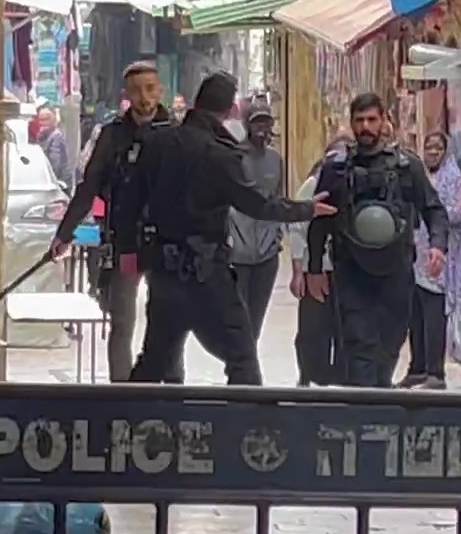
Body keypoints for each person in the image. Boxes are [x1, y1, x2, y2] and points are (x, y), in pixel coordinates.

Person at [124, 73, 334, 385]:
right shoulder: (219, 154)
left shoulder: (157, 142)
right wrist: (307, 209)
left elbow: (130, 200)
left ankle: (128, 414)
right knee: (241, 357)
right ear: (230, 110)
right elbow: (256, 204)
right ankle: (246, 417)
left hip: (164, 269)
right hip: (207, 272)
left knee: (155, 358)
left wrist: (130, 249)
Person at [307, 93, 449, 388]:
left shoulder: (406, 166)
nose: (366, 127)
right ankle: (368, 405)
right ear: (351, 123)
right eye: (359, 120)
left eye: (372, 119)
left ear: (384, 120)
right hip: (351, 270)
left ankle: (378, 393)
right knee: (360, 343)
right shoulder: (336, 168)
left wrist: (438, 246)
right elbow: (319, 218)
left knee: (389, 343)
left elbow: (433, 209)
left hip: (396, 269)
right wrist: (314, 267)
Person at [52, 61, 177, 382]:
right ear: (126, 95)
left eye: (150, 89)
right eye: (136, 90)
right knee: (121, 322)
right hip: (125, 242)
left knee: (169, 322)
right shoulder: (112, 135)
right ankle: (122, 392)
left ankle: (173, 391)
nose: (144, 97)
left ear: (160, 90)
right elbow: (90, 186)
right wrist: (65, 234)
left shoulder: (177, 133)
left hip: (167, 243)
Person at [401, 130, 461, 389]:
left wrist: (432, 216)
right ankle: (417, 368)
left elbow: (456, 213)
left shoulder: (451, 177)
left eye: (438, 148)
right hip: (417, 257)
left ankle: (435, 373)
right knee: (415, 314)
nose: (432, 153)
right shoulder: (421, 175)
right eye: (428, 147)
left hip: (439, 257)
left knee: (433, 314)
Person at [291, 133, 352, 386]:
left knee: (343, 329)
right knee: (312, 331)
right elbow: (297, 228)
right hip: (315, 270)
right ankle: (309, 376)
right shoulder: (314, 185)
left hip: (345, 270)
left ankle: (341, 378)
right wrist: (298, 272)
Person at [229, 100, 285, 343]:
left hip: (267, 255)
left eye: (266, 122)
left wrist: (277, 236)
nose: (262, 128)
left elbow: (279, 200)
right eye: (256, 122)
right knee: (238, 322)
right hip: (236, 256)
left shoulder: (275, 160)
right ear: (246, 125)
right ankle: (240, 362)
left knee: (255, 324)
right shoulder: (233, 158)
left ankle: (248, 361)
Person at [36, 105, 73, 187]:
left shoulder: (56, 136)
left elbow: (55, 164)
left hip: (61, 182)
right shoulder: (41, 136)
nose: (43, 123)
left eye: (46, 119)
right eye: (41, 120)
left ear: (53, 120)